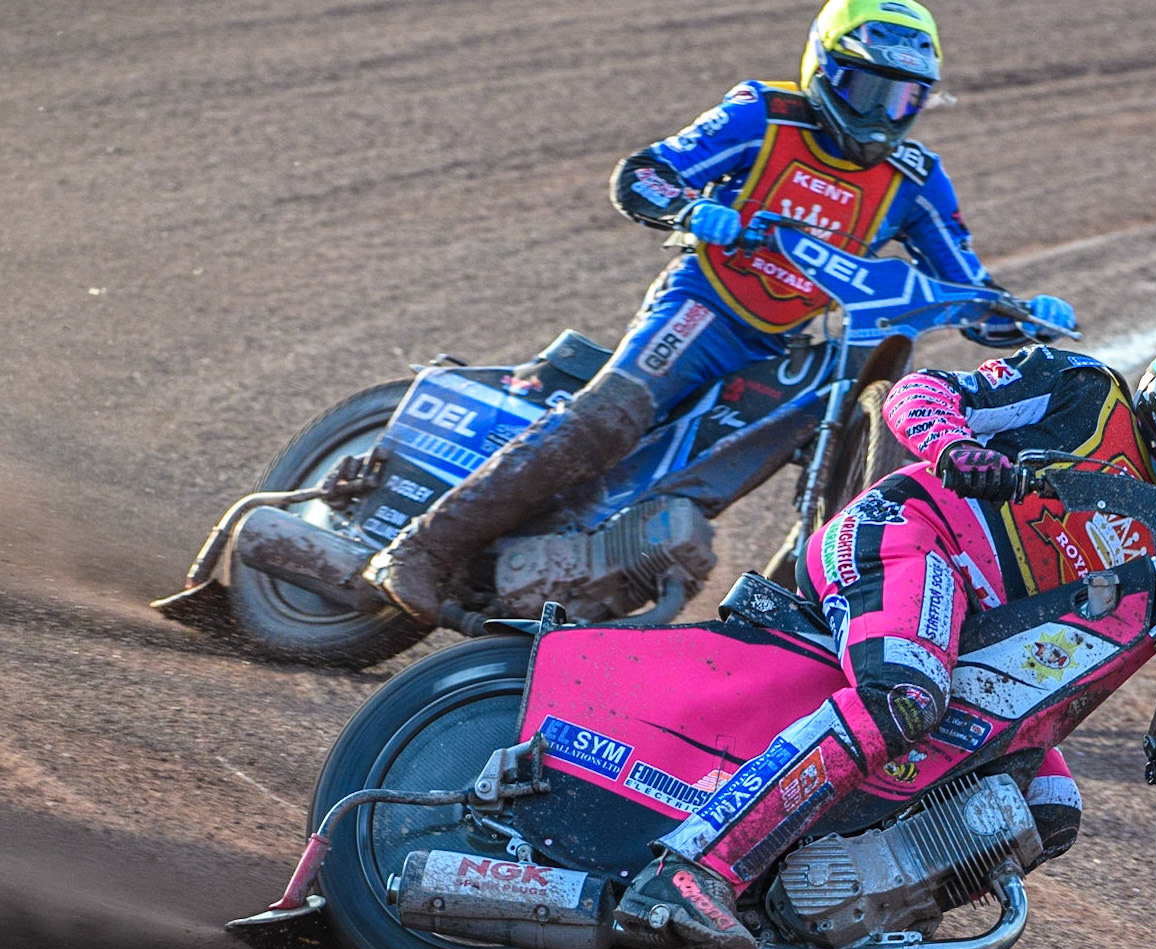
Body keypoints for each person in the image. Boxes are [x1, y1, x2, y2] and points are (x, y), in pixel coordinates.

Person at [613, 312, 1156, 949]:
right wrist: (953, 449)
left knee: (1047, 808)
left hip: (985, 647)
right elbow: (921, 394)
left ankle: (807, 926)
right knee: (905, 697)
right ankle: (690, 867)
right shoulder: (1082, 389)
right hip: (906, 539)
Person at [363, 0, 1075, 622]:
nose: (879, 114)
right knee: (606, 420)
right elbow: (643, 174)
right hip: (701, 309)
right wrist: (700, 212)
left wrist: (1024, 316)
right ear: (824, 70)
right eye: (865, 88)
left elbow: (971, 293)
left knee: (839, 445)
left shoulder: (914, 181)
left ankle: (783, 616)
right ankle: (421, 547)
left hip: (780, 344)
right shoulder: (764, 115)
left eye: (902, 99)